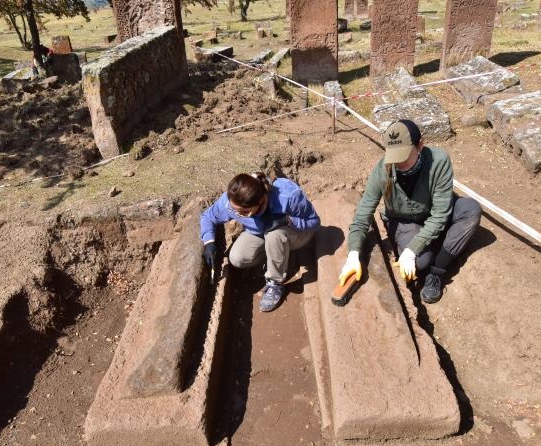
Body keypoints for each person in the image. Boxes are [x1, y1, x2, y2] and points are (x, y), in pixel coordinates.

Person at [339, 119, 482, 303]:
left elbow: (440, 213)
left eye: (404, 154)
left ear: (420, 145)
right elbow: (362, 215)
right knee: (420, 262)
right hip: (405, 220)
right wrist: (353, 255)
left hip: (435, 211)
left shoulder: (439, 161)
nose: (399, 161)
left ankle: (437, 273)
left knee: (471, 210)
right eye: (394, 156)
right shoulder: (382, 171)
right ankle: (430, 251)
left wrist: (412, 249)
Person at [200, 172, 321, 312]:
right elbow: (208, 216)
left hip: (296, 234)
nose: (237, 215)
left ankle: (275, 282)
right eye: (234, 210)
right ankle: (278, 257)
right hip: (261, 234)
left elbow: (314, 222)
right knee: (237, 258)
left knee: (275, 235)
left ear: (260, 201)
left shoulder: (287, 196)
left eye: (244, 212)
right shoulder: (232, 200)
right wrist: (209, 241)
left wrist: (287, 220)